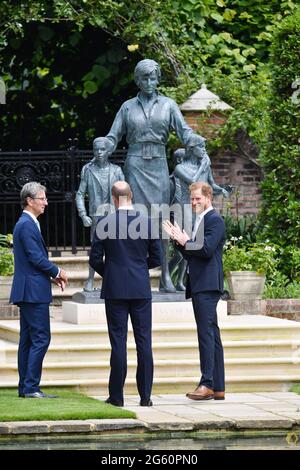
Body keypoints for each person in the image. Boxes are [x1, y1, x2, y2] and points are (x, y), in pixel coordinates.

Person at [105, 58, 209, 292]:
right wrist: (102, 151)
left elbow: (184, 132)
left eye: (153, 77)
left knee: (162, 220)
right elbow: (113, 136)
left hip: (159, 165)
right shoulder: (127, 107)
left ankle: (165, 276)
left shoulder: (169, 105)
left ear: (158, 79)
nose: (149, 82)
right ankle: (136, 272)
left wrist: (197, 142)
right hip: (135, 164)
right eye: (144, 78)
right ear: (137, 80)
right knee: (134, 219)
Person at [89, 181, 162, 407]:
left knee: (118, 342)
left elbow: (94, 260)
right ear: (132, 195)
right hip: (140, 288)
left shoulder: (104, 223)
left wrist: (110, 272)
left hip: (115, 289)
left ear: (113, 198)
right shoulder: (148, 223)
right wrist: (139, 269)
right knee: (144, 342)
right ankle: (145, 396)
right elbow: (158, 259)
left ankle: (117, 397)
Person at [163, 182, 226, 401]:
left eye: (198, 198)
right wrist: (179, 242)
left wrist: (185, 240)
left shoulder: (214, 220)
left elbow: (207, 250)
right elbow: (194, 254)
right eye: (191, 199)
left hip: (207, 284)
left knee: (205, 334)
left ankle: (207, 383)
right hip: (202, 283)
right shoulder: (202, 220)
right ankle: (218, 387)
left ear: (208, 197)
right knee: (212, 334)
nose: (194, 202)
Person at [9, 182, 68, 399]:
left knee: (28, 339)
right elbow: (35, 258)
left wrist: (51, 277)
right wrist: (58, 270)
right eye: (42, 198)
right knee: (41, 338)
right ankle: (31, 387)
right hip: (32, 293)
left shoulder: (27, 223)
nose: (46, 202)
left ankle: (26, 387)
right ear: (29, 201)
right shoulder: (26, 224)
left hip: (31, 289)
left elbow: (31, 261)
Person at [169, 137, 229, 290]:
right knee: (183, 248)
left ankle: (180, 281)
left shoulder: (205, 166)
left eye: (204, 146)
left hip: (199, 212)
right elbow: (192, 182)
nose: (204, 150)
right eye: (201, 147)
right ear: (191, 149)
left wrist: (220, 189)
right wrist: (202, 166)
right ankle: (168, 277)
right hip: (184, 208)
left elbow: (210, 184)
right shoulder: (180, 168)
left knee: (194, 246)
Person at [76, 137, 124, 291]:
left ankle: (113, 280)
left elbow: (125, 194)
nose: (99, 152)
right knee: (96, 249)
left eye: (102, 149)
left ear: (108, 151)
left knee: (115, 249)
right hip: (96, 216)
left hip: (115, 215)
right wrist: (83, 215)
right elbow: (79, 194)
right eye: (96, 149)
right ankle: (90, 280)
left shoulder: (117, 170)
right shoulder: (87, 170)